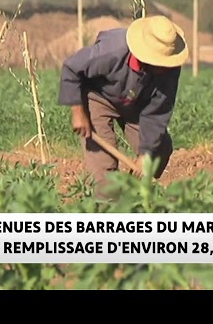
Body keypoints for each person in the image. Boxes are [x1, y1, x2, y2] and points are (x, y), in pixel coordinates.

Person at [58, 14, 188, 200]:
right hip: (99, 97)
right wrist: (78, 113)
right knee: (105, 171)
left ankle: (132, 198)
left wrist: (146, 155)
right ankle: (108, 210)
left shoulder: (169, 64)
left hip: (137, 104)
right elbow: (72, 68)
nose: (164, 68)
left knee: (159, 150)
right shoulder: (112, 50)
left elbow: (158, 111)